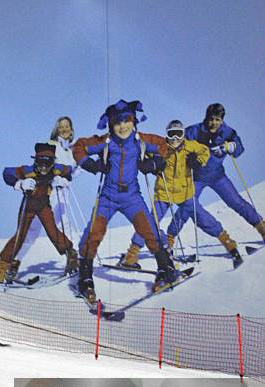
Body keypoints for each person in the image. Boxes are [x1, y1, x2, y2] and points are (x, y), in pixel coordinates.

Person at [72, 99, 175, 301]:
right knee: (93, 234)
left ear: (134, 121)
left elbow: (164, 145)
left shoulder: (141, 141)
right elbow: (80, 146)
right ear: (111, 125)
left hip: (131, 197)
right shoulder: (106, 141)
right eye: (117, 123)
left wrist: (155, 163)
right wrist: (90, 165)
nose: (122, 126)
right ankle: (85, 278)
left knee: (149, 231)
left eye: (126, 121)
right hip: (108, 197)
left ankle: (165, 269)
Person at [119, 120, 242, 268]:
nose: (175, 138)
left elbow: (205, 151)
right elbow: (142, 151)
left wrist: (198, 161)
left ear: (183, 135)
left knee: (202, 217)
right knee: (150, 221)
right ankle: (132, 254)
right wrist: (146, 163)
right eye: (172, 134)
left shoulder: (190, 146)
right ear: (167, 135)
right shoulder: (161, 147)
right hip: (164, 193)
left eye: (179, 134)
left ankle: (228, 242)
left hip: (185, 193)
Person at [0, 142, 78, 283]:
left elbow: (69, 170)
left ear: (53, 162)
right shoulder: (27, 171)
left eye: (47, 162)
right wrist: (19, 184)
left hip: (44, 205)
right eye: (40, 162)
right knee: (20, 235)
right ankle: (2, 267)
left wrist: (63, 180)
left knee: (52, 231)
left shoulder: (56, 170)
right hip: (28, 206)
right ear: (35, 160)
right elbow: (6, 172)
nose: (43, 167)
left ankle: (72, 256)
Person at [185, 103, 265, 241]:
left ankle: (262, 228)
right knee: (186, 205)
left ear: (222, 120)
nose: (214, 123)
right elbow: (178, 145)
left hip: (217, 176)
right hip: (196, 177)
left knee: (236, 202)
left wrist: (231, 146)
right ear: (206, 118)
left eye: (217, 119)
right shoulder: (194, 131)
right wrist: (189, 157)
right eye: (211, 119)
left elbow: (239, 148)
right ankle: (169, 242)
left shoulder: (227, 132)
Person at [17, 117, 79, 265]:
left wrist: (66, 180)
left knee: (64, 226)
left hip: (63, 193)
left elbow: (73, 172)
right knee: (34, 230)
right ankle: (14, 261)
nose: (64, 130)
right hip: (48, 193)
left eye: (67, 127)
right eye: (61, 127)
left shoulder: (71, 150)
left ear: (71, 129)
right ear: (56, 130)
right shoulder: (51, 145)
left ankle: (73, 259)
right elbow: (43, 165)